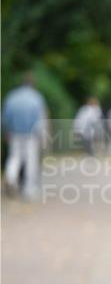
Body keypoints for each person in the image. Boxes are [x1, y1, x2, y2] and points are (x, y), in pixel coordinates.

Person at [2, 72, 47, 200]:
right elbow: (41, 118)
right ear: (33, 84)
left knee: (14, 158)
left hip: (14, 133)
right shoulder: (37, 97)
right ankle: (29, 189)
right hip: (30, 135)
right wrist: (42, 136)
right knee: (30, 161)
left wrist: (6, 131)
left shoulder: (12, 96)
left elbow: (5, 116)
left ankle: (11, 178)